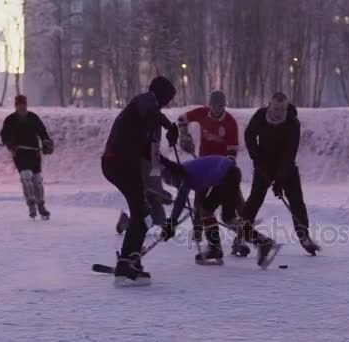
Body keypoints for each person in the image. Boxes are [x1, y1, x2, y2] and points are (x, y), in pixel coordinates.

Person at [102, 76, 179, 286]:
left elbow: (150, 153)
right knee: (142, 212)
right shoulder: (144, 101)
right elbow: (153, 111)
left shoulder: (148, 120)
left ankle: (130, 260)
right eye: (166, 99)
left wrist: (172, 167)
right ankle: (126, 265)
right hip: (119, 163)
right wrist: (169, 125)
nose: (166, 104)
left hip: (124, 165)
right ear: (160, 94)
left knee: (143, 213)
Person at [160, 155, 280, 268]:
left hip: (228, 175)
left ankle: (263, 242)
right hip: (227, 174)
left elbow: (180, 201)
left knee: (228, 218)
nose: (174, 185)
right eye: (170, 184)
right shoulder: (185, 170)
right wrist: (177, 221)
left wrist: (171, 222)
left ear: (174, 175)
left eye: (171, 182)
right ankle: (214, 249)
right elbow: (199, 199)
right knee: (206, 210)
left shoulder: (185, 175)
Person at [241, 92, 320, 256]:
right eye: (275, 108)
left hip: (286, 166)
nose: (278, 112)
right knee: (255, 199)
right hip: (263, 163)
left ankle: (304, 237)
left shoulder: (292, 123)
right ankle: (240, 236)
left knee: (296, 200)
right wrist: (256, 158)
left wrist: (280, 180)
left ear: (286, 108)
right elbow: (249, 135)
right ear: (270, 105)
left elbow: (289, 154)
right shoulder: (261, 116)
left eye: (282, 109)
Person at [177, 90, 250, 257]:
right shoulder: (202, 113)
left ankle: (241, 238)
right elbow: (182, 119)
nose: (216, 109)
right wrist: (184, 136)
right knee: (200, 203)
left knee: (238, 203)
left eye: (220, 106)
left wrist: (221, 172)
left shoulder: (230, 123)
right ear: (209, 105)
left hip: (223, 171)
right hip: (204, 167)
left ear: (224, 106)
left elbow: (232, 154)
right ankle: (199, 231)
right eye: (214, 106)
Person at [0, 95, 54, 220]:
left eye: (23, 104)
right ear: (15, 106)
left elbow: (43, 132)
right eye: (19, 105)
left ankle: (41, 205)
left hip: (34, 153)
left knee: (38, 180)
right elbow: (4, 135)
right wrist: (10, 143)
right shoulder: (10, 120)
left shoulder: (33, 118)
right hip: (19, 153)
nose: (21, 107)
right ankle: (31, 204)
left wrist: (46, 142)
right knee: (26, 177)